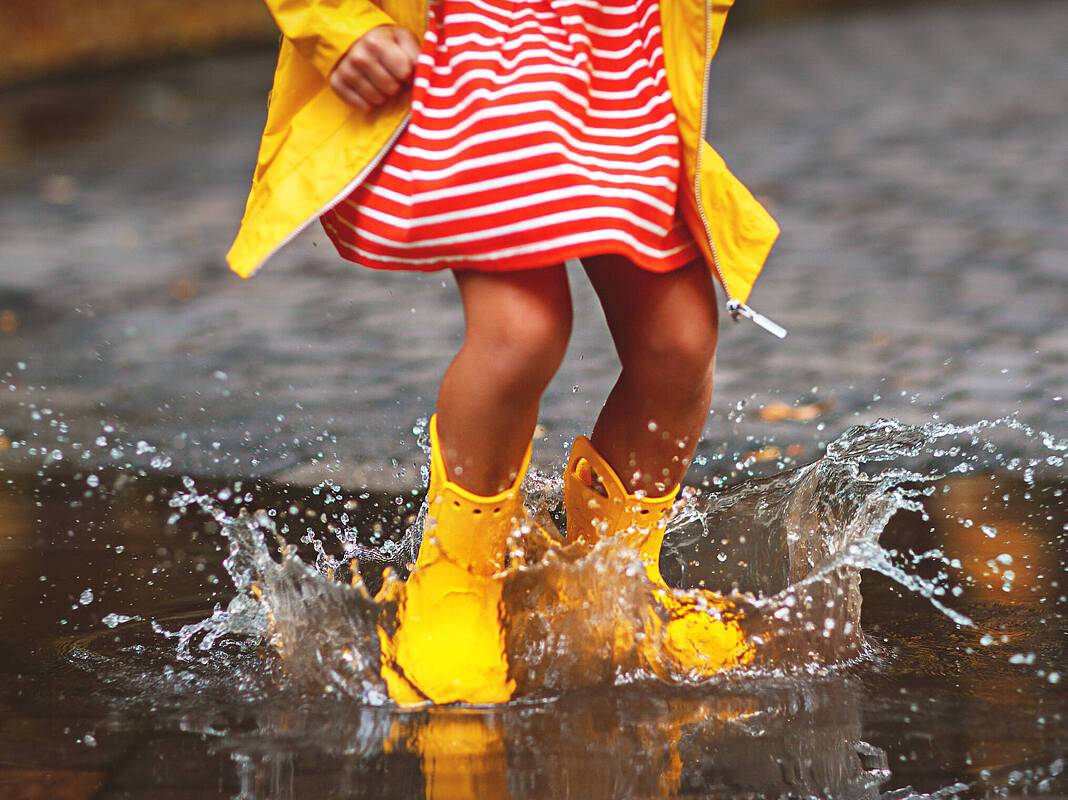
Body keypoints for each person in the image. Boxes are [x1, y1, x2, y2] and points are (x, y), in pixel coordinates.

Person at [228, 0, 782, 706]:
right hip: (485, 59)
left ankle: (614, 583)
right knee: (521, 332)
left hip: (619, 60)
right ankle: (456, 579)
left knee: (678, 340)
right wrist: (341, 24)